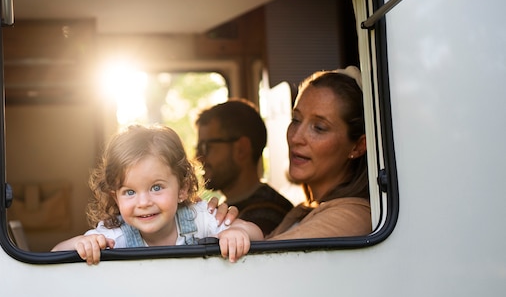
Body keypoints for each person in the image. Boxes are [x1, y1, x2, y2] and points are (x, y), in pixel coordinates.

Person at [52, 124, 263, 264]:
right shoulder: (114, 237)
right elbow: (56, 254)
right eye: (130, 192)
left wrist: (237, 233)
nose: (143, 202)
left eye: (156, 187)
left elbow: (256, 233)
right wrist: (82, 243)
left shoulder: (199, 217)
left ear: (183, 189)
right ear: (115, 197)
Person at [267, 66, 371, 239]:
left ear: (358, 146)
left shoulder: (350, 217)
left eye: (319, 128)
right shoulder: (303, 210)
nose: (296, 138)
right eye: (296, 120)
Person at [195, 99, 293, 236]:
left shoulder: (266, 215)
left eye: (206, 147)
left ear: (241, 149)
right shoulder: (223, 209)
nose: (198, 157)